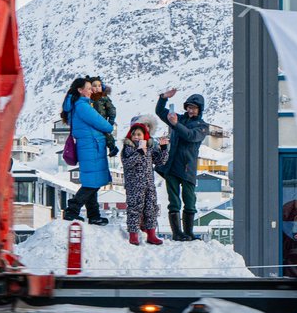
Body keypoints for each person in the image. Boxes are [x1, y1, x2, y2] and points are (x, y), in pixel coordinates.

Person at [154, 88, 208, 241]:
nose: (190, 110)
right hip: (171, 166)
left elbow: (190, 136)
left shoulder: (202, 126)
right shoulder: (177, 118)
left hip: (188, 168)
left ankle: (189, 233)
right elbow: (159, 111)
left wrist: (175, 125)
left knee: (190, 201)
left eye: (194, 108)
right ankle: (177, 233)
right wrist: (163, 97)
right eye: (189, 107)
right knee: (174, 201)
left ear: (199, 110)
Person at [60, 76, 113, 225]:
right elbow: (104, 125)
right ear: (80, 90)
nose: (91, 91)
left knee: (92, 181)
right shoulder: (82, 106)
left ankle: (94, 215)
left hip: (88, 147)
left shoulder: (74, 105)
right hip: (91, 147)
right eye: (89, 88)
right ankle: (72, 210)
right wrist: (108, 126)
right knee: (92, 183)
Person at [120, 116, 168, 246]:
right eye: (134, 134)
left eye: (139, 134)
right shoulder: (128, 148)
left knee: (151, 209)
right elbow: (127, 163)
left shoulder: (150, 147)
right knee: (134, 209)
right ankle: (133, 234)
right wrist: (139, 152)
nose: (136, 137)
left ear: (145, 135)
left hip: (149, 184)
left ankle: (151, 235)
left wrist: (164, 149)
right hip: (134, 186)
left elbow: (160, 161)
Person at [90, 77, 118, 158]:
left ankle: (112, 148)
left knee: (107, 134)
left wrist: (111, 120)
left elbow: (111, 109)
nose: (97, 88)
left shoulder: (103, 97)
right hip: (91, 122)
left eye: (99, 86)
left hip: (102, 121)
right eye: (94, 86)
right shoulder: (88, 98)